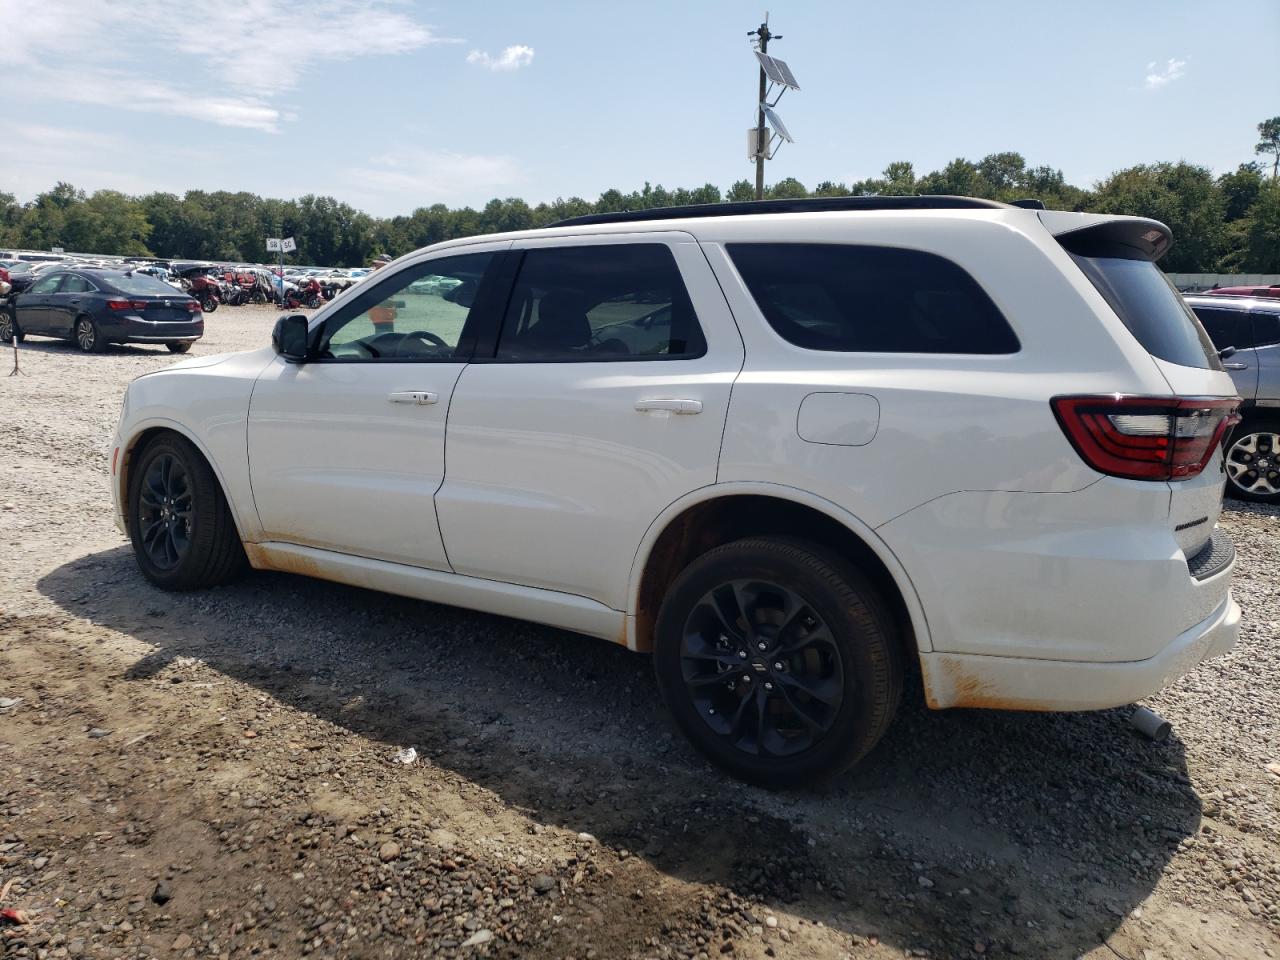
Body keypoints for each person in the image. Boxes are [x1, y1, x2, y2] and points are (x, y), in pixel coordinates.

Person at [367, 254, 397, 335]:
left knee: (383, 339)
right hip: (383, 317)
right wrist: (396, 304)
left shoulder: (376, 276)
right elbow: (380, 299)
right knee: (385, 342)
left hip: (382, 316)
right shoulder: (377, 278)